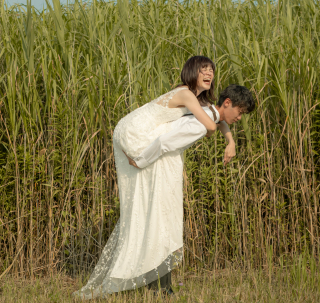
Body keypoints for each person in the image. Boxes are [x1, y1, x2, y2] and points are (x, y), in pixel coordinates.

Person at [74, 56, 256, 298]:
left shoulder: (202, 104)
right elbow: (180, 135)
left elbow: (216, 117)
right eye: (240, 112)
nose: (240, 118)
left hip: (152, 144)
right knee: (158, 214)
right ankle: (156, 284)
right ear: (228, 102)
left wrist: (230, 140)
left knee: (158, 214)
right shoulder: (192, 105)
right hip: (138, 136)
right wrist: (140, 160)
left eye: (212, 70)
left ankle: (158, 283)